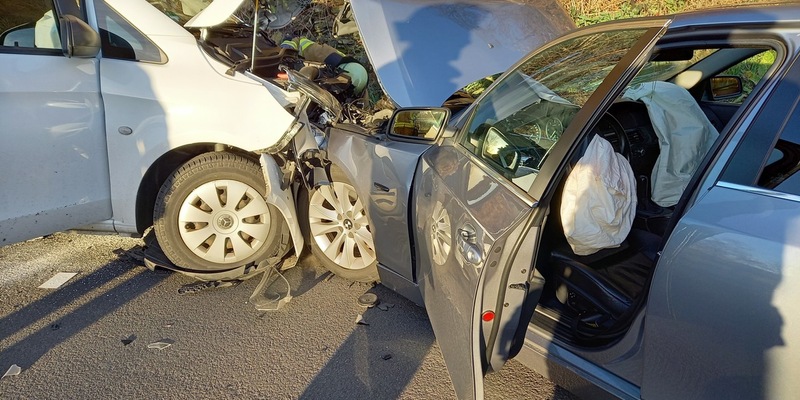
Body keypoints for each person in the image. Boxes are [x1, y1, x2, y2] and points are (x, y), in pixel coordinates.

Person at [280, 36, 368, 96]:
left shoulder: (360, 90)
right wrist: (288, 52)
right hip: (290, 65)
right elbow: (299, 41)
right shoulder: (328, 55)